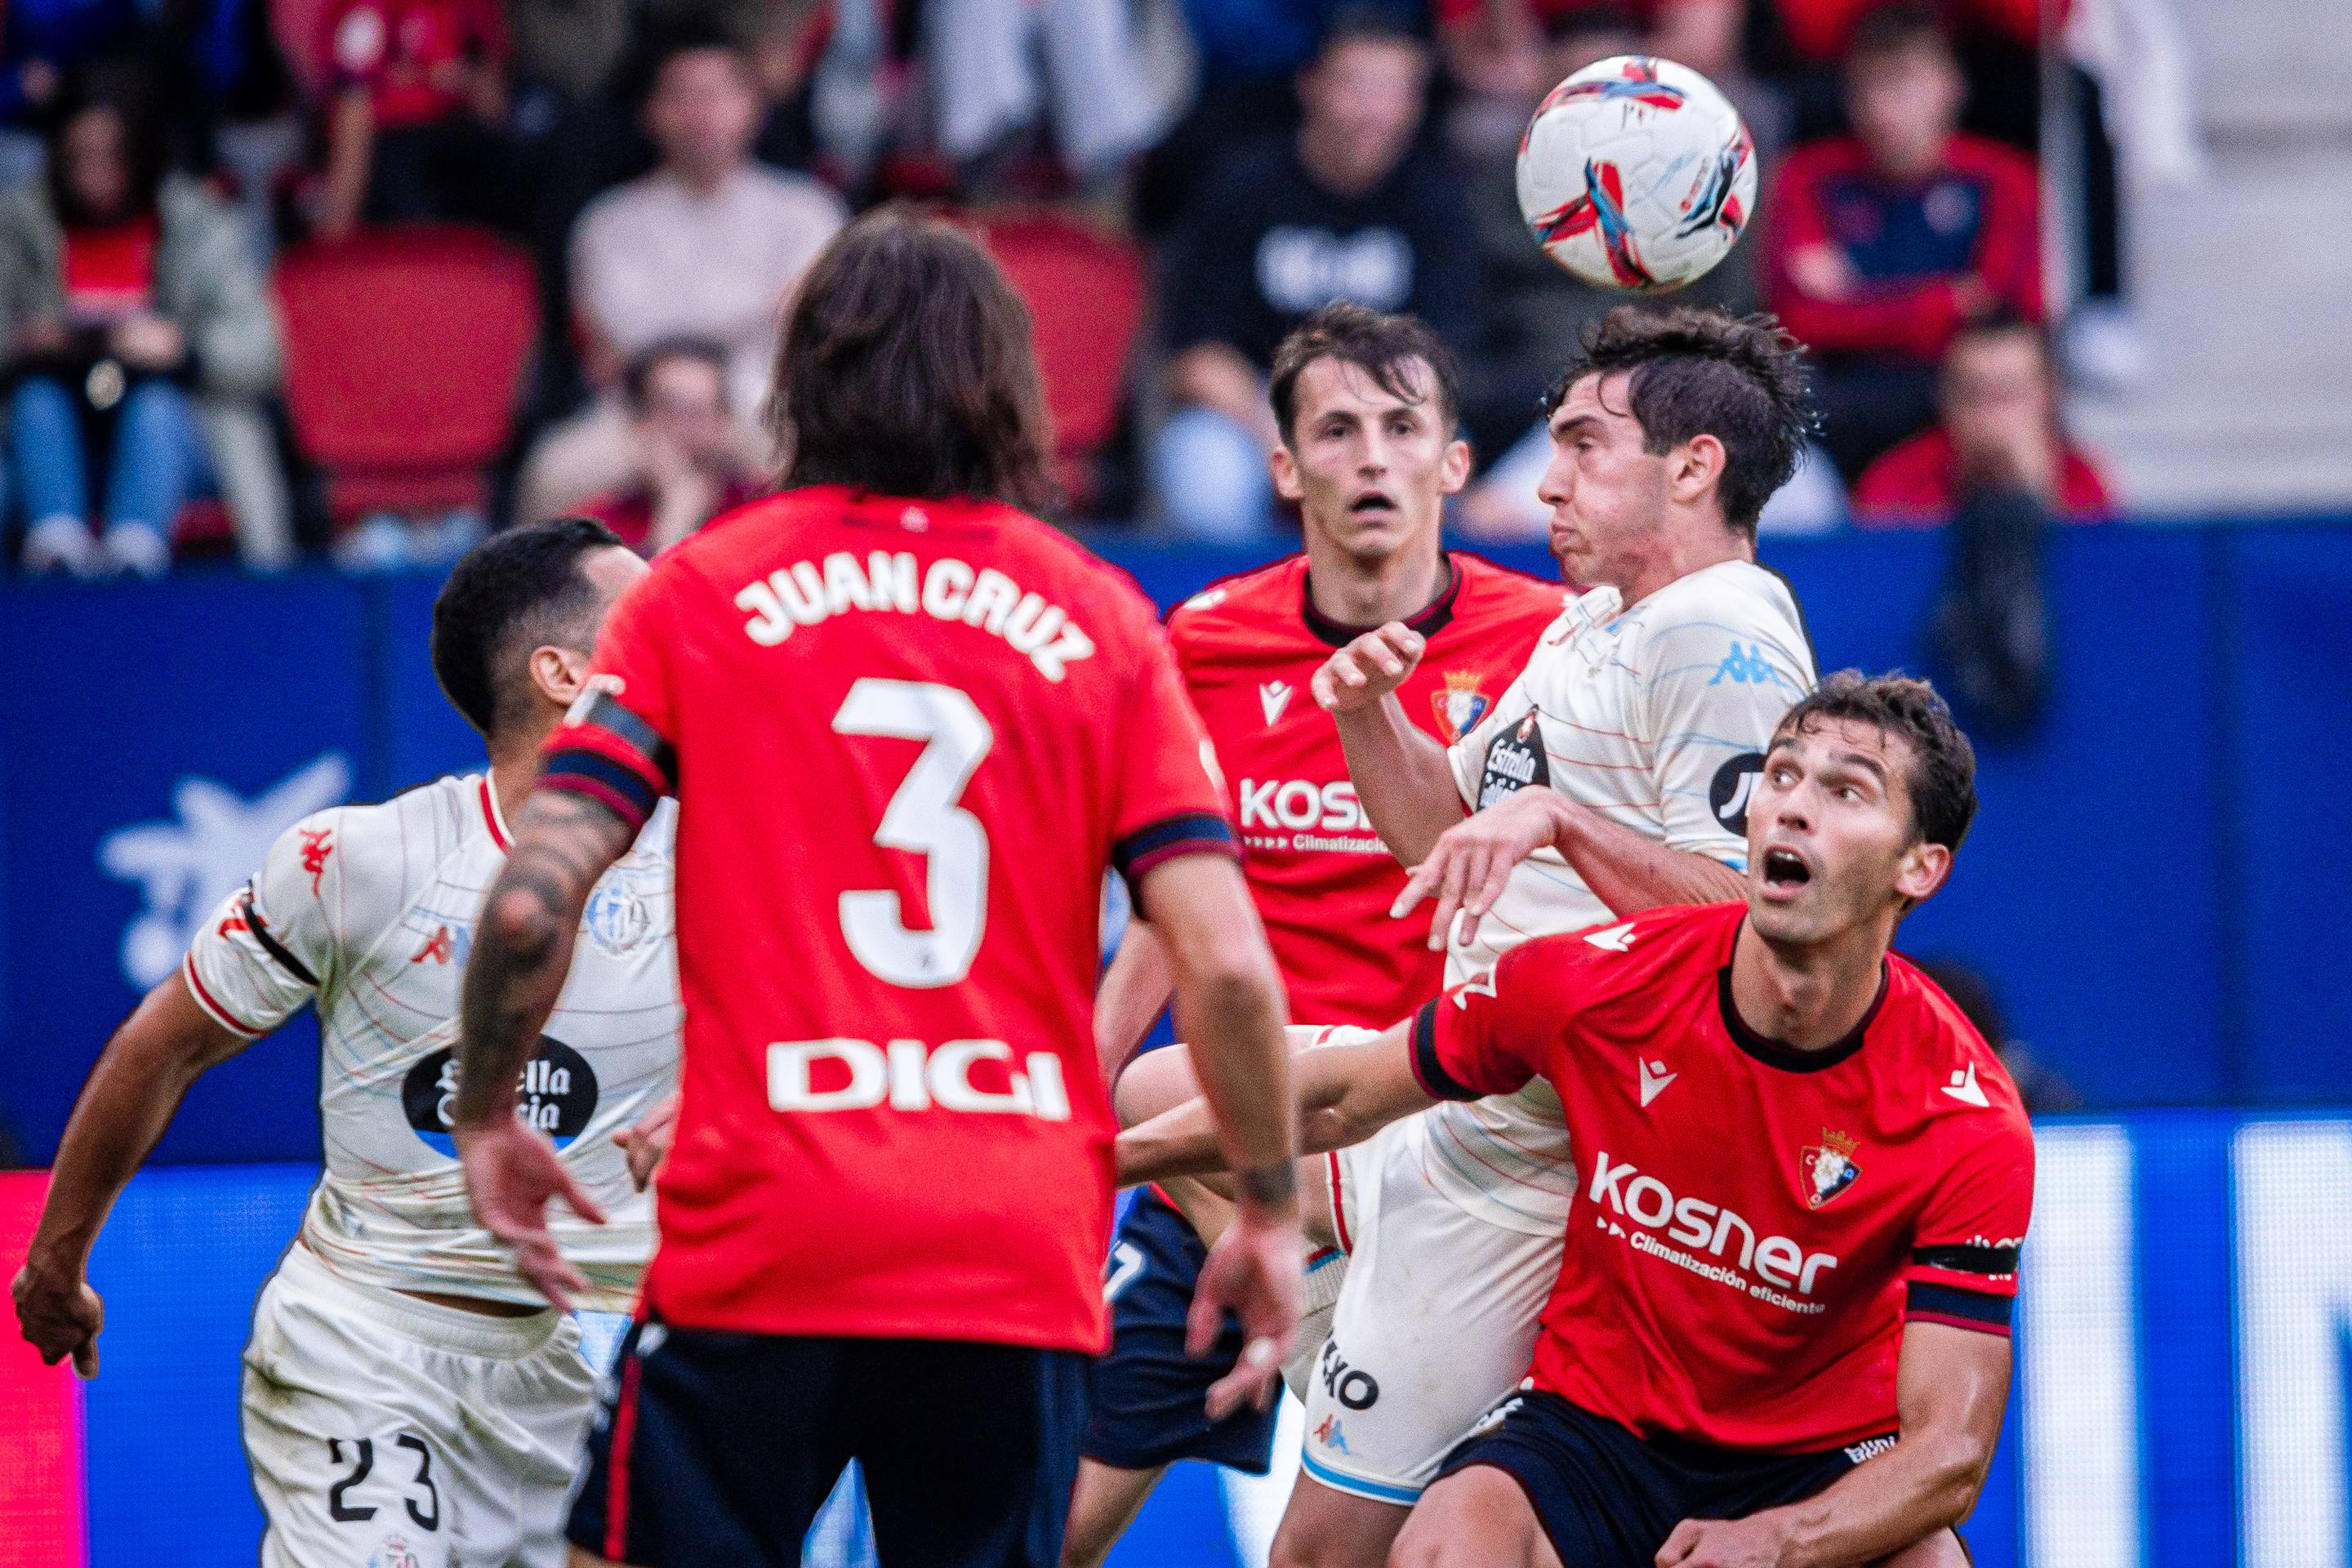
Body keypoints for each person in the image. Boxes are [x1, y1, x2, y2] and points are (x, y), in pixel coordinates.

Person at [450, 209, 1304, 1568]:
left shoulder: (698, 595)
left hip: (765, 1230)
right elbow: (1229, 966)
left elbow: (527, 899)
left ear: (802, 380)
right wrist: (1266, 1207)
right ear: (1010, 384)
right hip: (1009, 1245)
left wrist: (490, 1111)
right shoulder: (1099, 621)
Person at [1132, 303, 1822, 1568]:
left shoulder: (1720, 632)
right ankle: (1351, 1327)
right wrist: (1367, 716)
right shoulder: (1590, 620)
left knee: (1324, 1558)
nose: (1544, 479)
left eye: (1581, 446)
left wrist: (1561, 824)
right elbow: (1435, 831)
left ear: (1693, 466)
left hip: (1539, 1162)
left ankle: (1382, 1353)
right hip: (1455, 1095)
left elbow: (1760, 932)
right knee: (1171, 1087)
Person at [1120, 670, 2030, 1568]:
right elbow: (1338, 1095)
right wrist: (1096, 1160)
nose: (1792, 807)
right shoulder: (1604, 981)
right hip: (1597, 1429)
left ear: (1921, 867)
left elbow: (1950, 1454)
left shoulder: (1969, 1121)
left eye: (1845, 792)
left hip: (1809, 1463)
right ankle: (1330, 1314)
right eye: (1782, 775)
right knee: (1445, 1544)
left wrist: (1781, 1542)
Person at [11, 519, 679, 1566]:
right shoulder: (362, 858)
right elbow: (164, 1043)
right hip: (364, 1342)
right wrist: (56, 1260)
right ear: (565, 674)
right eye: (647, 615)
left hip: (577, 1368)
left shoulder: (721, 850)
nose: (683, 632)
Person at [1065, 302, 1566, 1568]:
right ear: (1283, 466)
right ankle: (1321, 1308)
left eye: (1405, 428)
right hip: (1231, 1159)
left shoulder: (1546, 647)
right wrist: (1067, 1106)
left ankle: (1347, 1331)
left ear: (1456, 462)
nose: (1373, 458)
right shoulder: (1206, 648)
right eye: (1337, 430)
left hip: (1441, 1145)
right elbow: (1164, 926)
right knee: (1045, 1533)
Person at [1152, 10, 1479, 541]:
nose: (1374, 113)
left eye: (1395, 91)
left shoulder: (1437, 203)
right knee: (1204, 476)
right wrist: (1288, 434)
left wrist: (1359, 432)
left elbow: (1443, 358)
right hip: (1258, 411)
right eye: (1357, 86)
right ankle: (1236, 614)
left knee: (1443, 457)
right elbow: (1196, 357)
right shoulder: (1241, 189)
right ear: (1312, 85)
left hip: (1389, 405)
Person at [517, 29, 846, 523]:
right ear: (650, 112)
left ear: (754, 106)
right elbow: (632, 335)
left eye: (719, 92)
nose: (700, 111)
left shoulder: (810, 212)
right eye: (681, 94)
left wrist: (683, 318)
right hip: (639, 418)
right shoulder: (608, 222)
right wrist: (764, 307)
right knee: (548, 475)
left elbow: (820, 333)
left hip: (764, 413)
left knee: (840, 471)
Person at [1, 75, 290, 576]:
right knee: (38, 402)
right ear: (56, 155)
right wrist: (24, 345)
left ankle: (133, 561)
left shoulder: (197, 220)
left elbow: (263, 351)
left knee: (154, 407)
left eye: (111, 155)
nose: (95, 172)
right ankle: (55, 555)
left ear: (141, 154)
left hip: (180, 441)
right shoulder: (17, 223)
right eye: (79, 156)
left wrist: (183, 349)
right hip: (44, 438)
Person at [1762, 4, 2041, 480]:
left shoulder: (2005, 178)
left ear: (1951, 86)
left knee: (2003, 387)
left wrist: (1855, 302)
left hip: (1957, 396)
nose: (1884, 106)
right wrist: (1942, 303)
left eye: (1904, 82)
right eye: (1868, 86)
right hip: (1835, 398)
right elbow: (1798, 322)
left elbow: (2008, 313)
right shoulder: (1806, 176)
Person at [1853, 313, 2112, 523]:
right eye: (1973, 394)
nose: (1990, 414)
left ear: (2048, 394)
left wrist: (2039, 491)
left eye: (2007, 394)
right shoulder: (1897, 480)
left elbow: (2093, 576)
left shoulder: (2080, 479)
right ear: (1945, 399)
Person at [314, 0, 515, 237]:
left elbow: (496, 106)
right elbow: (353, 116)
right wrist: (338, 226)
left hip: (462, 135)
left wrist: (462, 78)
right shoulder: (365, 13)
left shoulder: (470, 7)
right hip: (394, 149)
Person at [577, 336, 766, 556]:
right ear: (638, 424)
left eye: (705, 411)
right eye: (675, 411)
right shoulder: (595, 531)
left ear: (727, 420)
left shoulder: (766, 503)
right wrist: (676, 519)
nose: (692, 429)